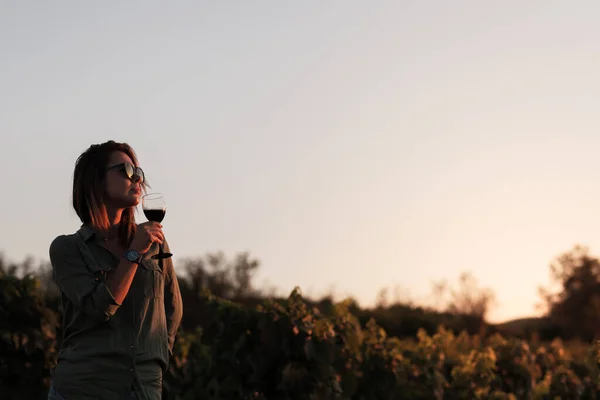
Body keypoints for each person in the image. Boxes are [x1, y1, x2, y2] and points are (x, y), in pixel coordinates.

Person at [47, 140, 183, 400]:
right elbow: (102, 307)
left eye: (139, 173)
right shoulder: (68, 249)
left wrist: (156, 358)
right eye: (126, 171)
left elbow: (172, 306)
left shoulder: (155, 242)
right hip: (84, 389)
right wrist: (133, 254)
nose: (137, 179)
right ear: (96, 181)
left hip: (144, 390)